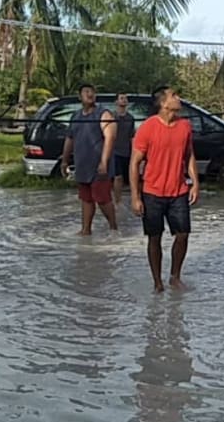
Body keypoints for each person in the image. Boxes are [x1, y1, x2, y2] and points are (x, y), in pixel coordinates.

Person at [130, 86, 199, 292]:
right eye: (174, 96)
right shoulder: (147, 127)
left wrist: (195, 183)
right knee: (154, 237)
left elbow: (190, 156)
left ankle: (175, 276)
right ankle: (157, 281)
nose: (179, 98)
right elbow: (134, 163)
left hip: (178, 190)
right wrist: (135, 197)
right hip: (152, 192)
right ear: (163, 103)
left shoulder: (185, 126)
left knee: (183, 234)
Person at [62, 84, 118, 235]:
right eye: (86, 92)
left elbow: (110, 137)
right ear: (80, 96)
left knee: (102, 198)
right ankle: (86, 229)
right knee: (86, 198)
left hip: (99, 165)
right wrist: (64, 160)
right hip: (82, 165)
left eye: (92, 91)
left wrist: (104, 161)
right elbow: (69, 139)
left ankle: (113, 228)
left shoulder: (104, 114)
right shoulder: (76, 116)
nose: (90, 94)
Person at [112, 92, 136, 206]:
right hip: (114, 151)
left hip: (127, 150)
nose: (124, 100)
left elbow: (132, 136)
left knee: (131, 176)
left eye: (126, 98)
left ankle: (134, 198)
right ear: (116, 102)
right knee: (118, 177)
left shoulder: (130, 118)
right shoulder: (112, 117)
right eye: (121, 98)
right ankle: (117, 201)